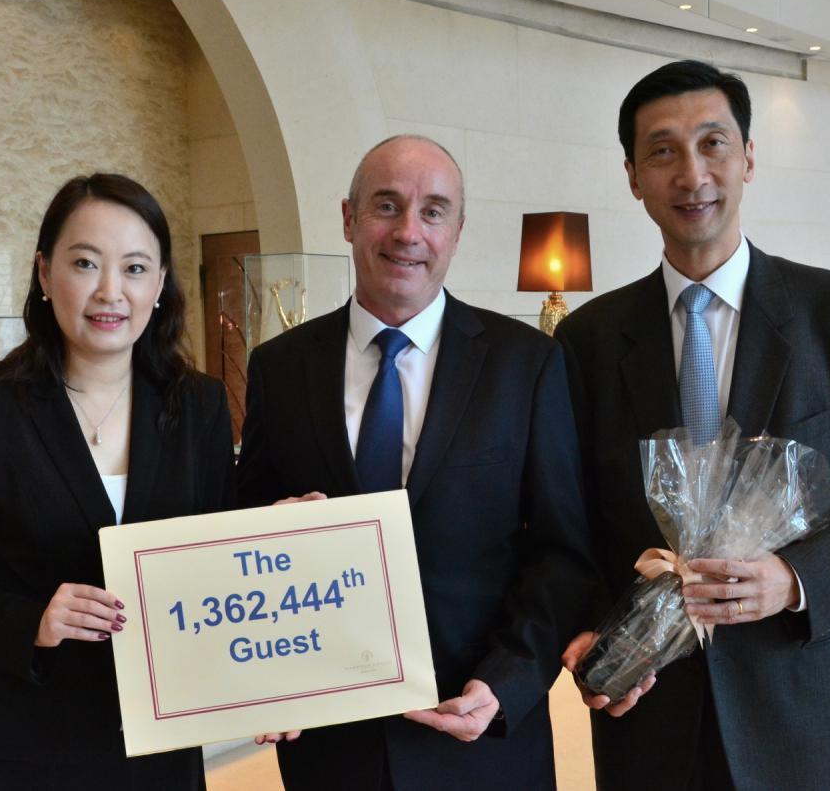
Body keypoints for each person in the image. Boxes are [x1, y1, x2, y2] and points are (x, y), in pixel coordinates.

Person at [555, 60, 830, 790]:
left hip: (793, 696)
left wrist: (793, 579)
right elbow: (569, 520)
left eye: (713, 143)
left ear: (748, 157)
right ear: (632, 176)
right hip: (646, 698)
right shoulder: (587, 340)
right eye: (662, 151)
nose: (691, 174)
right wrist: (593, 630)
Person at [237, 135, 599, 790]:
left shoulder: (526, 364)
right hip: (331, 746)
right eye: (386, 205)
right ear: (348, 218)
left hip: (480, 734)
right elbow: (244, 537)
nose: (408, 232)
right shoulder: (279, 368)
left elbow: (562, 551)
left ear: (456, 232)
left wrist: (507, 682)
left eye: (433, 211)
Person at [0, 174, 235, 790]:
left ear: (160, 284)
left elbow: (221, 556)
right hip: (21, 745)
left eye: (135, 269)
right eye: (85, 263)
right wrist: (32, 621)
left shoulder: (200, 406)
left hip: (158, 742)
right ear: (45, 273)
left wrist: (292, 533)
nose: (111, 291)